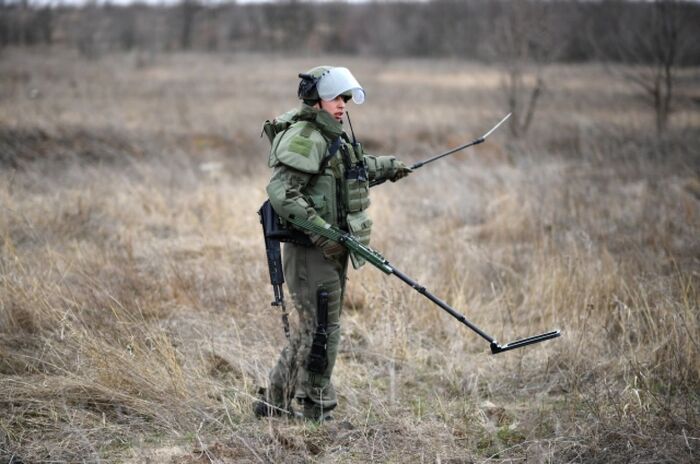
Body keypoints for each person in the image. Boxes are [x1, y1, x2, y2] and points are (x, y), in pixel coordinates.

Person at [255, 66, 411, 421]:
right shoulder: (306, 138)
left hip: (333, 250)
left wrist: (390, 166)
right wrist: (324, 232)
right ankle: (315, 408)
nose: (342, 105)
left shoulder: (333, 136)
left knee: (315, 329)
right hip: (313, 251)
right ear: (315, 99)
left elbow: (352, 171)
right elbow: (282, 194)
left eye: (345, 98)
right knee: (320, 330)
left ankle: (274, 404)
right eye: (335, 98)